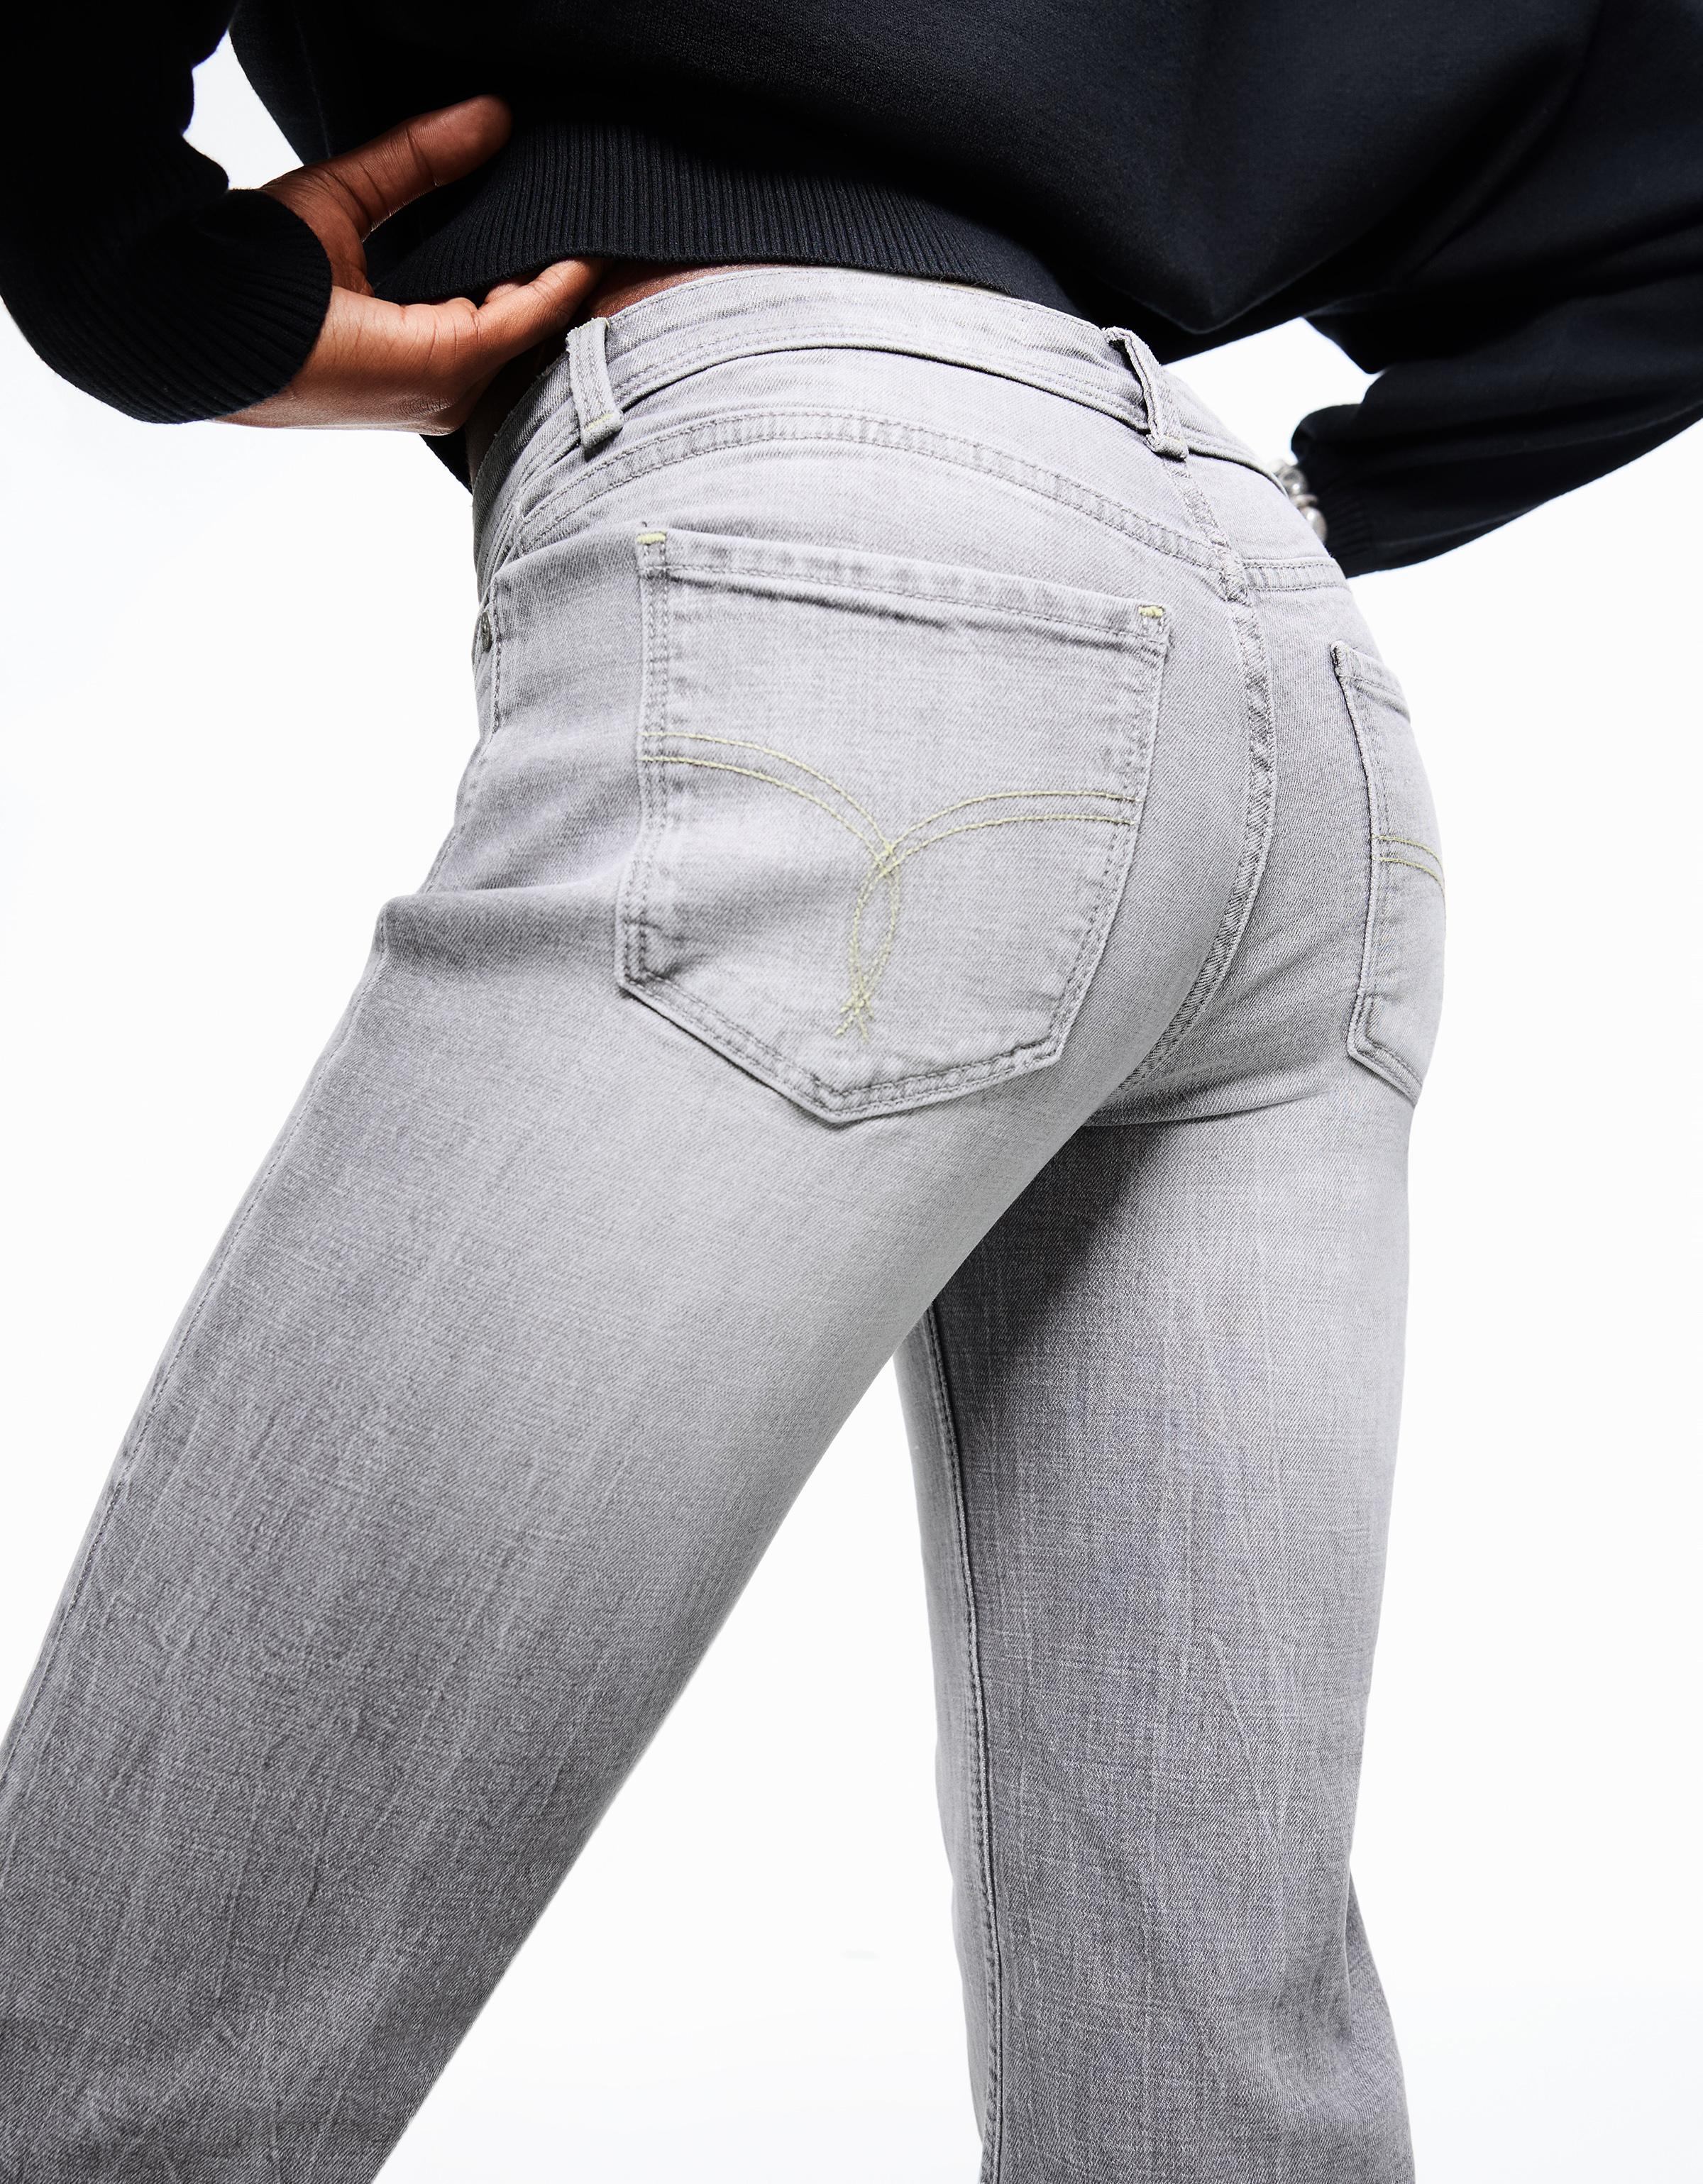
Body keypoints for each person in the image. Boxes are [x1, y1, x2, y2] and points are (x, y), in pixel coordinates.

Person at [1, 7, 1699, 2178]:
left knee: (115, 2055)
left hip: (840, 537)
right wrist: (1363, 490)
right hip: (1284, 662)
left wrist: (155, 281)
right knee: (1204, 2087)